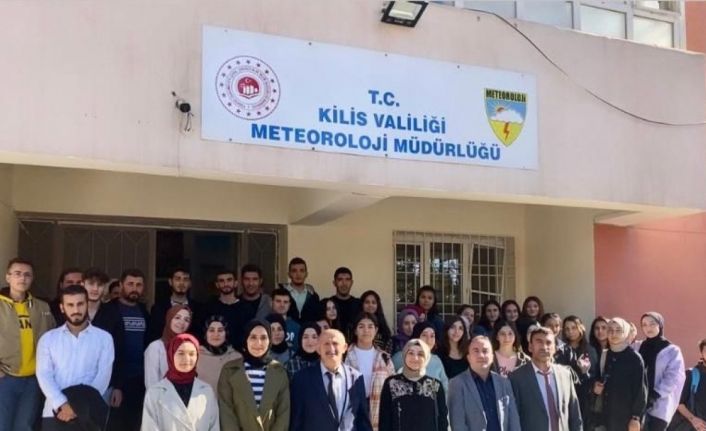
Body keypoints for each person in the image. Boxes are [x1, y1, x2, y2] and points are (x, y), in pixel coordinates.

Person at [36, 284, 114, 430]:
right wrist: (62, 404)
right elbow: (44, 375)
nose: (76, 310)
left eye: (80, 304)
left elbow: (103, 377)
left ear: (87, 304)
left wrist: (77, 406)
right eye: (70, 305)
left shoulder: (104, 338)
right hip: (55, 412)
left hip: (90, 413)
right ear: (62, 307)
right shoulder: (48, 339)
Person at [0, 258, 55, 431]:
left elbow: (53, 338)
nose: (22, 278)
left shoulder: (42, 307)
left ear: (32, 279)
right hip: (5, 378)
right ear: (8, 277)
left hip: (33, 380)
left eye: (27, 275)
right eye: (17, 273)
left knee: (25, 426)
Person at [290, 329, 373, 431]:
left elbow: (362, 420)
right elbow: (296, 421)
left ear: (344, 348)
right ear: (318, 349)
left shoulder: (356, 378)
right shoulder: (302, 379)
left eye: (335, 343)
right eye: (326, 344)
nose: (331, 348)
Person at [218, 319, 290, 431]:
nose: (258, 343)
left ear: (269, 341)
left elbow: (283, 413)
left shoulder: (279, 371)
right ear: (246, 339)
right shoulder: (229, 370)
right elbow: (226, 412)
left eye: (263, 337)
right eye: (253, 337)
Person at [509, 325, 582, 431]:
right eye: (539, 342)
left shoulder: (565, 375)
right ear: (530, 347)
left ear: (555, 348)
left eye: (548, 343)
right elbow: (513, 419)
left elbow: (575, 415)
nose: (544, 347)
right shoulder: (516, 377)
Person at [142, 333, 219, 431]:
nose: (186, 359)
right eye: (181, 353)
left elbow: (214, 426)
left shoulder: (206, 391)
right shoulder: (155, 392)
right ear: (171, 355)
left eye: (191, 354)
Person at [448, 335, 521, 431]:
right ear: (468, 357)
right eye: (476, 351)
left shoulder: (504, 383)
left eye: (485, 351)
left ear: (492, 357)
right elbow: (458, 425)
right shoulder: (457, 384)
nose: (481, 355)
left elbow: (514, 422)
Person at [379, 339, 448, 431]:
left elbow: (442, 421)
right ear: (404, 355)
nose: (415, 358)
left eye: (420, 354)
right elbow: (384, 421)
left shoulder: (435, 385)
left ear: (426, 358)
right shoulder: (391, 384)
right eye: (411, 353)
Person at [592, 317, 648, 431]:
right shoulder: (605, 355)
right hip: (605, 416)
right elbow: (598, 380)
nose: (614, 334)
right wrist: (595, 386)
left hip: (625, 419)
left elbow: (640, 390)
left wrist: (636, 418)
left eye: (618, 330)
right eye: (610, 330)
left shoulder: (634, 358)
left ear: (626, 332)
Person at [112, 268, 150, 431]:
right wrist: (116, 384)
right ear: (121, 285)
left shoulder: (144, 311)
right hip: (117, 379)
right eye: (130, 284)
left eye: (138, 285)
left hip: (140, 379)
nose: (134, 288)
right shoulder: (109, 310)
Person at [83, 268, 126, 409]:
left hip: (105, 382)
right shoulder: (73, 311)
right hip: (74, 379)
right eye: (91, 284)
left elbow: (120, 351)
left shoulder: (113, 314)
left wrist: (118, 386)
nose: (95, 289)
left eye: (100, 285)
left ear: (105, 288)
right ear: (83, 284)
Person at [345, 313, 395, 431]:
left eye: (370, 326)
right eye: (361, 326)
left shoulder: (384, 358)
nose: (366, 330)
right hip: (352, 409)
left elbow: (393, 386)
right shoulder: (344, 356)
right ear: (355, 330)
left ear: (376, 330)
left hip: (378, 409)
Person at [638, 312, 685, 430]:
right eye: (644, 325)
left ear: (660, 325)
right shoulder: (638, 346)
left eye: (652, 324)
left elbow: (674, 377)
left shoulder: (672, 350)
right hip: (638, 403)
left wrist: (655, 395)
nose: (648, 328)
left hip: (660, 404)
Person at [147, 267, 203, 343]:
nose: (182, 283)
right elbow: (153, 335)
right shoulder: (159, 308)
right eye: (178, 279)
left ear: (190, 283)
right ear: (170, 282)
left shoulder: (198, 308)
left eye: (185, 279)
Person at [392, 321, 449, 394]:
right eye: (424, 335)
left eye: (432, 336)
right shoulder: (399, 357)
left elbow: (445, 388)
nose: (428, 340)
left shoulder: (436, 360)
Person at [144, 305, 192, 388]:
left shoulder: (188, 348)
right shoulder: (155, 347)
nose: (182, 322)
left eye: (186, 320)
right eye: (177, 318)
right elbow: (151, 383)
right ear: (169, 319)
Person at [562, 315, 598, 414]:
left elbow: (594, 375)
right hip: (565, 394)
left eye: (573, 328)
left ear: (580, 328)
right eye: (567, 329)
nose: (570, 332)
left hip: (584, 396)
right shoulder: (562, 349)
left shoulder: (589, 349)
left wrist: (584, 372)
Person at [196, 315, 241, 392]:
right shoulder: (196, 355)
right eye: (211, 330)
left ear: (226, 333)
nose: (216, 334)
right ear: (206, 334)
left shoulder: (236, 357)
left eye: (220, 330)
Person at [232, 264, 273, 348]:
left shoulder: (269, 302)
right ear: (241, 281)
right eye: (247, 279)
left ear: (260, 281)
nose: (250, 283)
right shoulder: (235, 303)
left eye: (255, 279)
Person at [669, 338, 706, 431]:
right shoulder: (691, 375)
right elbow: (678, 403)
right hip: (694, 427)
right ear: (701, 354)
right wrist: (694, 420)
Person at [204, 269, 240, 347]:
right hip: (214, 351)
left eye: (229, 280)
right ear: (217, 285)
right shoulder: (209, 307)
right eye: (221, 281)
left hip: (240, 351)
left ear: (236, 283)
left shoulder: (246, 308)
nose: (225, 284)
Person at [280, 257, 320, 323]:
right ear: (289, 274)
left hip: (308, 329)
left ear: (306, 274)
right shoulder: (280, 294)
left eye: (302, 271)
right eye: (294, 271)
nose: (298, 274)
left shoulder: (313, 296)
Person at [328, 267, 361, 340]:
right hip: (332, 344)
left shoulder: (359, 304)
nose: (344, 283)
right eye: (340, 279)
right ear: (334, 283)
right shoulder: (326, 304)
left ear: (351, 282)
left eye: (347, 279)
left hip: (355, 345)